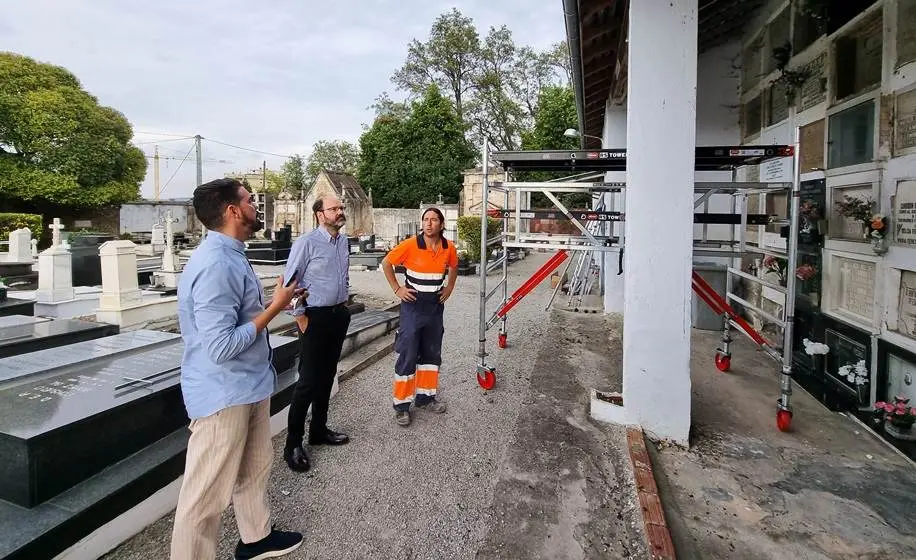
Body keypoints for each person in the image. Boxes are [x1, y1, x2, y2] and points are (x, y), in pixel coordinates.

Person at [171, 178, 304, 560]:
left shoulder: (232, 253)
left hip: (249, 385)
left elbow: (242, 316)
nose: (255, 206)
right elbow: (220, 346)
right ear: (232, 211)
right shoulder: (215, 264)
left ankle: (256, 537)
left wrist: (279, 300)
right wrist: (276, 307)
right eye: (249, 200)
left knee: (253, 469)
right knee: (204, 496)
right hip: (223, 393)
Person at [282, 194, 351, 472]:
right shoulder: (306, 243)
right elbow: (290, 283)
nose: (340, 212)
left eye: (341, 208)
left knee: (327, 376)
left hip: (338, 315)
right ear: (320, 214)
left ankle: (319, 431)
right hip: (314, 317)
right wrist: (300, 319)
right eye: (334, 208)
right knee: (308, 381)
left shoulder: (344, 242)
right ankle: (293, 443)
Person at [381, 207, 458, 427]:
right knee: (408, 353)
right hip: (413, 306)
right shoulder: (410, 245)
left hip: (434, 306)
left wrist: (449, 287)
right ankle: (402, 406)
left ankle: (426, 398)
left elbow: (454, 266)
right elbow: (387, 263)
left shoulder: (447, 247)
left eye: (434, 220)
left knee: (431, 354)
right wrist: (397, 289)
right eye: (425, 219)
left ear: (441, 225)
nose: (429, 223)